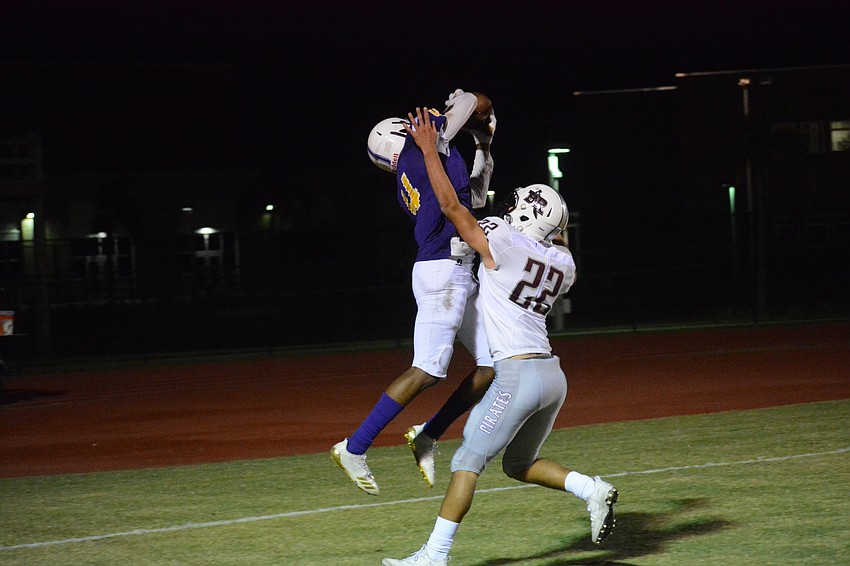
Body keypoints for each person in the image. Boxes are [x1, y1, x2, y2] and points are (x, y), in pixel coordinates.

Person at [381, 107, 619, 566]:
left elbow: (452, 207)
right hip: (552, 376)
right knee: (516, 464)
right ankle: (593, 489)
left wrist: (430, 150)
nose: (507, 207)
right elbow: (555, 239)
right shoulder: (563, 264)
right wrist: (556, 219)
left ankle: (434, 556)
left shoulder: (501, 240)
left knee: (465, 462)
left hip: (516, 377)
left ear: (524, 215)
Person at [331, 90, 498, 495]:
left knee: (494, 364)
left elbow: (471, 199)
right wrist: (467, 105)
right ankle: (354, 447)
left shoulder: (425, 162)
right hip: (442, 272)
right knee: (427, 369)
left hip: (456, 269)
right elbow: (478, 101)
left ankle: (429, 433)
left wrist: (482, 146)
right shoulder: (417, 150)